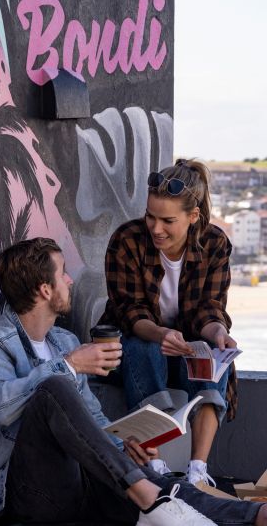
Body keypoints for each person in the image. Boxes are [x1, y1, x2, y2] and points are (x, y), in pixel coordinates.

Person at [0, 238, 266, 526]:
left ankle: (253, 516)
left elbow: (91, 420)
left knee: (161, 482)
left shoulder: (64, 341)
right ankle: (145, 494)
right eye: (63, 274)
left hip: (79, 483)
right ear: (45, 289)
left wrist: (123, 450)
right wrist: (69, 367)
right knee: (55, 388)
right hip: (22, 496)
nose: (70, 280)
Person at [99, 158, 237, 486]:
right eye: (150, 216)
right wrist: (162, 334)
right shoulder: (127, 240)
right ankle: (155, 466)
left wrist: (218, 333)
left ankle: (198, 472)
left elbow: (209, 309)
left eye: (167, 220)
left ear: (194, 217)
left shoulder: (215, 243)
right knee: (145, 348)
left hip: (186, 350)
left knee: (215, 357)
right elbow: (130, 312)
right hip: (136, 348)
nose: (156, 228)